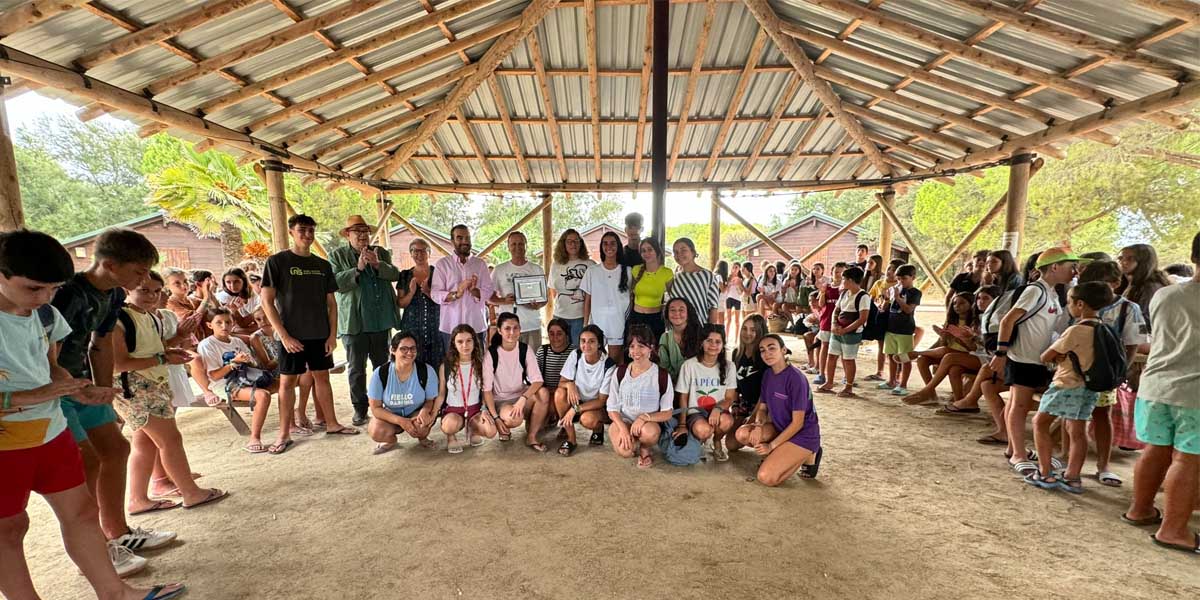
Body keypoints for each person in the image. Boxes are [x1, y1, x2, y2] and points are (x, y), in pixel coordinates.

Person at [1, 231, 187, 600]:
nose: (45, 298)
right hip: (7, 443)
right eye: (34, 289)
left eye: (53, 289)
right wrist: (30, 396)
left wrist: (81, 390)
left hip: (49, 431)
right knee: (9, 528)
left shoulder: (47, 313)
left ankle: (114, 592)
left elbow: (52, 365)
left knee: (83, 512)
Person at [49, 228, 177, 569]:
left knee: (116, 449)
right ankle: (96, 547)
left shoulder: (113, 296)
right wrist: (73, 386)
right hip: (58, 388)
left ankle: (118, 531)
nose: (143, 280)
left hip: (85, 387)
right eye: (138, 272)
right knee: (87, 461)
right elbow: (51, 351)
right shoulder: (68, 294)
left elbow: (100, 344)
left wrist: (104, 393)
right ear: (109, 264)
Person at [113, 273, 227, 515]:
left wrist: (178, 340)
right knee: (170, 439)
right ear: (127, 288)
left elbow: (156, 348)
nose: (152, 296)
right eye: (144, 290)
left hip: (155, 383)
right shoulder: (118, 319)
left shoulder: (151, 317)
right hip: (134, 387)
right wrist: (164, 357)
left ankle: (138, 498)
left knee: (146, 442)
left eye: (156, 291)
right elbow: (118, 363)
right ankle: (190, 492)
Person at [1122, 232, 1199, 554]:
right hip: (1193, 392)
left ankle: (1140, 509)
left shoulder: (1165, 295)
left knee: (1154, 449)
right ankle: (1173, 529)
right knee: (1188, 460)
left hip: (1155, 385)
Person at [260, 214, 357, 451]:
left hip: (319, 333)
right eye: (302, 230)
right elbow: (267, 301)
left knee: (322, 377)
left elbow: (332, 304)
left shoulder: (322, 265)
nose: (307, 235)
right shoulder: (277, 262)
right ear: (292, 231)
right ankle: (283, 433)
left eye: (311, 230)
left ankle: (332, 423)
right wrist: (283, 335)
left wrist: (332, 335)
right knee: (287, 382)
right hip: (291, 335)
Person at [989, 248, 1078, 475]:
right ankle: (1018, 453)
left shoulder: (1052, 293)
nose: (1074, 271)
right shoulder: (1035, 291)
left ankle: (1013, 447)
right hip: (1022, 357)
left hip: (1034, 358)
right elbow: (1008, 321)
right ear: (1055, 267)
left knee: (1016, 404)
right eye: (1070, 266)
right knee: (1020, 405)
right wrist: (1001, 354)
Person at [1026, 282, 1114, 493]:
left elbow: (1046, 356)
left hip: (1066, 384)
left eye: (1070, 303)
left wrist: (1059, 356)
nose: (1069, 307)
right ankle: (1073, 477)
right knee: (1078, 431)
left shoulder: (1076, 330)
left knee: (1040, 422)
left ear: (1080, 304)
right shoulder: (1105, 329)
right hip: (1090, 388)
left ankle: (1045, 473)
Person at [1077, 260, 1148, 486]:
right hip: (1075, 372)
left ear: (1116, 283)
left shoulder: (1128, 309)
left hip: (1105, 374)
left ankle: (1103, 465)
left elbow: (1132, 343)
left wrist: (1119, 372)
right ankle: (1066, 459)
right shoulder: (1079, 303)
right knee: (1070, 416)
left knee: (1102, 416)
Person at [330, 214, 401, 426]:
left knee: (382, 366)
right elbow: (335, 283)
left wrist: (378, 265)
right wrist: (358, 269)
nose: (362, 235)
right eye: (357, 232)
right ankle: (360, 409)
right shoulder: (337, 255)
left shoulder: (381, 253)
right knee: (356, 369)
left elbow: (395, 275)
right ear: (348, 235)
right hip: (354, 323)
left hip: (379, 321)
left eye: (365, 232)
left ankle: (384, 405)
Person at [735, 334, 822, 485]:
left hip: (802, 434)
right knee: (743, 434)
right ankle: (784, 453)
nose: (766, 353)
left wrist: (771, 446)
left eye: (772, 348)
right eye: (762, 350)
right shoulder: (768, 374)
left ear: (783, 350)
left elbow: (797, 423)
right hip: (780, 428)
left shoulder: (796, 379)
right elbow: (762, 408)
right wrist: (757, 425)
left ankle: (810, 453)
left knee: (766, 477)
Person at [199, 309, 281, 452]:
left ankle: (290, 424)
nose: (224, 326)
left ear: (233, 323)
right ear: (209, 325)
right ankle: (254, 438)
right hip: (225, 383)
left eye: (228, 322)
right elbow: (214, 376)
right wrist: (233, 363)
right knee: (262, 395)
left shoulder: (236, 341)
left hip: (246, 377)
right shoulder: (207, 345)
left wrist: (249, 361)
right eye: (219, 323)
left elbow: (253, 365)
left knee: (285, 384)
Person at [603, 324, 674, 469]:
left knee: (650, 433)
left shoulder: (661, 375)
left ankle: (645, 448)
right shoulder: (620, 372)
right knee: (626, 452)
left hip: (648, 423)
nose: (636, 351)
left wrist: (644, 418)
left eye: (641, 346)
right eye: (632, 346)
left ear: (651, 348)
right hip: (623, 420)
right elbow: (612, 407)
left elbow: (667, 412)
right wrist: (622, 428)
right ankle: (630, 439)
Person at [484, 313, 550, 451]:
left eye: (516, 328)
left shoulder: (524, 349)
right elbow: (487, 390)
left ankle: (531, 436)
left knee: (543, 393)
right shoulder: (491, 354)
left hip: (520, 396)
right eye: (507, 328)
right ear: (500, 330)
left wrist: (523, 398)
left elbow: (537, 381)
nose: (512, 332)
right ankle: (504, 424)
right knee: (515, 418)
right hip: (501, 401)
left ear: (520, 329)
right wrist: (495, 417)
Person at [427, 324, 497, 453]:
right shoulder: (446, 366)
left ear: (474, 342)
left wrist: (485, 409)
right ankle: (451, 437)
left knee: (491, 431)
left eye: (469, 340)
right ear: (454, 344)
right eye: (460, 341)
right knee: (449, 425)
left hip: (475, 410)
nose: (465, 345)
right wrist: (433, 413)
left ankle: (473, 429)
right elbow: (441, 394)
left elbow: (486, 390)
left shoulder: (481, 364)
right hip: (453, 411)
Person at [366, 331, 438, 455]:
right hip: (391, 414)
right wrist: (401, 421)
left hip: (415, 412)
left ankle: (422, 437)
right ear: (393, 350)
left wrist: (425, 411)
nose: (409, 353)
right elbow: (375, 408)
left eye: (413, 348)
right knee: (376, 431)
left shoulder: (426, 370)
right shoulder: (381, 373)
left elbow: (430, 400)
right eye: (404, 349)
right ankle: (390, 441)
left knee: (422, 426)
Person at [904, 292, 981, 406]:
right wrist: (943, 336)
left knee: (948, 355)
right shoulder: (951, 321)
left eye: (961, 303)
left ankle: (917, 355)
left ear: (971, 304)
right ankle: (931, 395)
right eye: (954, 303)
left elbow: (973, 348)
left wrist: (960, 339)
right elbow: (944, 344)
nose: (957, 306)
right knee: (922, 359)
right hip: (948, 353)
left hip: (967, 355)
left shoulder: (975, 322)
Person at [674, 325, 736, 462]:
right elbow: (683, 397)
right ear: (701, 342)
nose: (713, 345)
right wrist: (682, 425)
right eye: (709, 340)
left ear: (723, 345)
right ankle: (700, 439)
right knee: (703, 430)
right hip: (696, 412)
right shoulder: (689, 365)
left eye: (718, 342)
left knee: (727, 421)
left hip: (718, 410)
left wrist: (718, 408)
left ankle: (717, 441)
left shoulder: (729, 366)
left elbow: (730, 398)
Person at [553, 325, 616, 455]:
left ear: (599, 344)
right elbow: (561, 383)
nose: (586, 345)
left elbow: (601, 401)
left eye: (592, 341)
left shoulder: (608, 365)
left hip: (596, 406)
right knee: (559, 394)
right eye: (583, 341)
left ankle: (598, 428)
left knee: (587, 419)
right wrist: (570, 385)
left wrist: (574, 409)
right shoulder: (576, 355)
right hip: (578, 400)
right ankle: (571, 439)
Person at [432, 225, 493, 350]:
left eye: (467, 238)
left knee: (478, 365)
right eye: (460, 238)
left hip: (476, 326)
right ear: (452, 241)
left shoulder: (480, 264)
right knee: (452, 365)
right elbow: (435, 294)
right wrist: (456, 294)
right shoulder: (443, 264)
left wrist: (475, 291)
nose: (465, 241)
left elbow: (489, 291)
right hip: (450, 327)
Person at [817, 266, 870, 398]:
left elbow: (862, 318)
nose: (842, 282)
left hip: (852, 332)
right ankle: (829, 382)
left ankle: (849, 387)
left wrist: (846, 330)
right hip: (838, 330)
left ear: (851, 280)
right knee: (832, 356)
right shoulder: (845, 294)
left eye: (844, 279)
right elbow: (837, 309)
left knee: (848, 359)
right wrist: (834, 324)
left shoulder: (863, 296)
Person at [490, 231, 547, 348]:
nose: (517, 247)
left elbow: (544, 299)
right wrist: (504, 301)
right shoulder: (499, 269)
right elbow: (489, 298)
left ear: (526, 245)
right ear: (508, 247)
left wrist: (537, 305)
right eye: (513, 244)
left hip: (531, 325)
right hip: (507, 328)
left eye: (521, 244)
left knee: (531, 363)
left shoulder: (537, 269)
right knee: (508, 364)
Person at [582, 231, 630, 362]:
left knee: (614, 363)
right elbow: (587, 300)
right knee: (595, 361)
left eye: (613, 243)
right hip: (597, 324)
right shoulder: (592, 271)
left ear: (618, 246)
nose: (609, 247)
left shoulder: (628, 271)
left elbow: (632, 298)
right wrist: (585, 324)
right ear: (601, 247)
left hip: (618, 324)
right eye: (605, 243)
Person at [396, 238, 442, 367]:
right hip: (411, 327)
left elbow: (445, 301)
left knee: (437, 363)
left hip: (436, 327)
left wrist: (428, 291)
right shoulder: (404, 275)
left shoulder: (438, 273)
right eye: (415, 251)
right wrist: (411, 292)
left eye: (423, 251)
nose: (419, 254)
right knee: (413, 363)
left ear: (429, 253)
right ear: (410, 253)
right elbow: (400, 303)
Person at [879, 264, 921, 396]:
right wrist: (887, 299)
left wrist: (898, 298)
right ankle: (892, 380)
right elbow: (886, 307)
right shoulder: (895, 289)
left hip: (905, 329)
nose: (900, 281)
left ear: (913, 277)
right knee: (891, 355)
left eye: (904, 278)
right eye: (898, 279)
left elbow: (908, 309)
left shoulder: (915, 292)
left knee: (904, 357)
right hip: (891, 327)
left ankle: (903, 384)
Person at [549, 229, 595, 345]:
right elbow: (553, 291)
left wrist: (586, 321)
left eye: (576, 241)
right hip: (560, 317)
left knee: (578, 352)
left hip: (581, 318)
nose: (573, 244)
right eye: (569, 241)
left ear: (581, 243)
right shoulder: (556, 265)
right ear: (563, 244)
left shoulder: (590, 265)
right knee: (560, 350)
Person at [1115, 243, 1170, 330]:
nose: (1123, 262)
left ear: (1143, 262)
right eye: (1120, 258)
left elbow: (1144, 320)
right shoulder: (1122, 283)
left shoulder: (1150, 287)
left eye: (1130, 258)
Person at [864, 259, 901, 382]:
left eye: (894, 270)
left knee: (893, 347)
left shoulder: (899, 286)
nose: (890, 271)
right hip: (880, 316)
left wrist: (888, 300)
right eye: (889, 268)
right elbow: (871, 297)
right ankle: (880, 371)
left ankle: (896, 374)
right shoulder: (879, 283)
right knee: (881, 344)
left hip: (893, 317)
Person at [668, 238, 720, 324]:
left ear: (693, 252)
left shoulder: (707, 276)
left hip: (700, 328)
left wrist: (710, 331)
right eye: (675, 252)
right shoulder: (675, 278)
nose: (679, 254)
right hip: (677, 329)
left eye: (683, 250)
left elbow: (713, 307)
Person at [628, 238, 673, 339]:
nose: (646, 253)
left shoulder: (667, 273)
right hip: (636, 318)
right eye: (643, 250)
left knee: (654, 351)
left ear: (657, 250)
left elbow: (673, 296)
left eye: (650, 249)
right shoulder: (636, 270)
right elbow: (630, 294)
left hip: (655, 319)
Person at [658, 297, 703, 383]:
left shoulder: (700, 335)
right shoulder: (665, 338)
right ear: (667, 314)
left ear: (688, 313)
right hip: (675, 387)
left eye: (681, 310)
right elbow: (664, 368)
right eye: (672, 310)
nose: (677, 313)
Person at [535, 318, 574, 403]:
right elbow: (535, 378)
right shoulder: (542, 351)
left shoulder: (574, 353)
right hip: (546, 393)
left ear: (566, 335)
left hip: (565, 394)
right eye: (551, 334)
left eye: (559, 334)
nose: (555, 337)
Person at [811, 266, 838, 386]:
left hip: (840, 322)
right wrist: (822, 292)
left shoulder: (846, 288)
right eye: (836, 272)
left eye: (841, 272)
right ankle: (821, 373)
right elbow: (821, 304)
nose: (838, 274)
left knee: (840, 350)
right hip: (826, 320)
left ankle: (844, 377)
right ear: (831, 273)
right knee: (824, 345)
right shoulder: (827, 287)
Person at [215, 267, 257, 334]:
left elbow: (259, 322)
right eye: (228, 282)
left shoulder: (254, 296)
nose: (232, 286)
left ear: (244, 281)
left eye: (236, 282)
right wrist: (234, 311)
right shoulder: (222, 297)